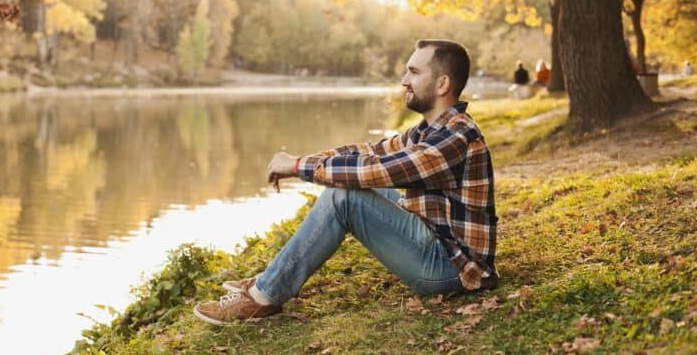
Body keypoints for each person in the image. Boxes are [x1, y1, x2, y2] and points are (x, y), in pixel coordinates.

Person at [193, 40, 498, 325]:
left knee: (346, 197)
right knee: (349, 185)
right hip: (436, 241)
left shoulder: (456, 136)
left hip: (452, 268)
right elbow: (368, 152)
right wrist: (302, 160)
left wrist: (300, 168)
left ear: (442, 84)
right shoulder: (427, 130)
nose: (404, 80)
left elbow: (378, 171)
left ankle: (263, 297)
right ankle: (270, 281)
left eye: (414, 72)